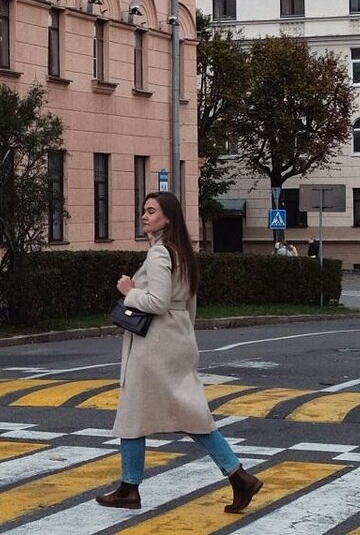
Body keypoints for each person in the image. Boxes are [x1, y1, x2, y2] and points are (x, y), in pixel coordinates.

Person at [97, 191, 263, 512]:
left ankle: (129, 489)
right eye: (144, 210)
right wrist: (186, 338)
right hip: (178, 339)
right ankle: (239, 477)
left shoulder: (160, 253)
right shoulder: (183, 253)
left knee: (133, 413)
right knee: (191, 414)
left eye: (152, 211)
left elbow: (158, 302)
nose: (144, 216)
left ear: (168, 218)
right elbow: (189, 305)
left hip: (153, 346)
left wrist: (129, 292)